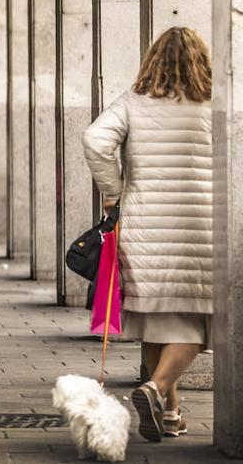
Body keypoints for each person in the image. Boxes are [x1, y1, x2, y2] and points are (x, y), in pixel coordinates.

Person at [82, 26, 213, 443]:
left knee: (156, 318)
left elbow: (95, 139)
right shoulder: (213, 103)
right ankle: (157, 390)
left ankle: (170, 413)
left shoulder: (133, 102)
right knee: (196, 323)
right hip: (197, 224)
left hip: (142, 223)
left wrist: (114, 192)